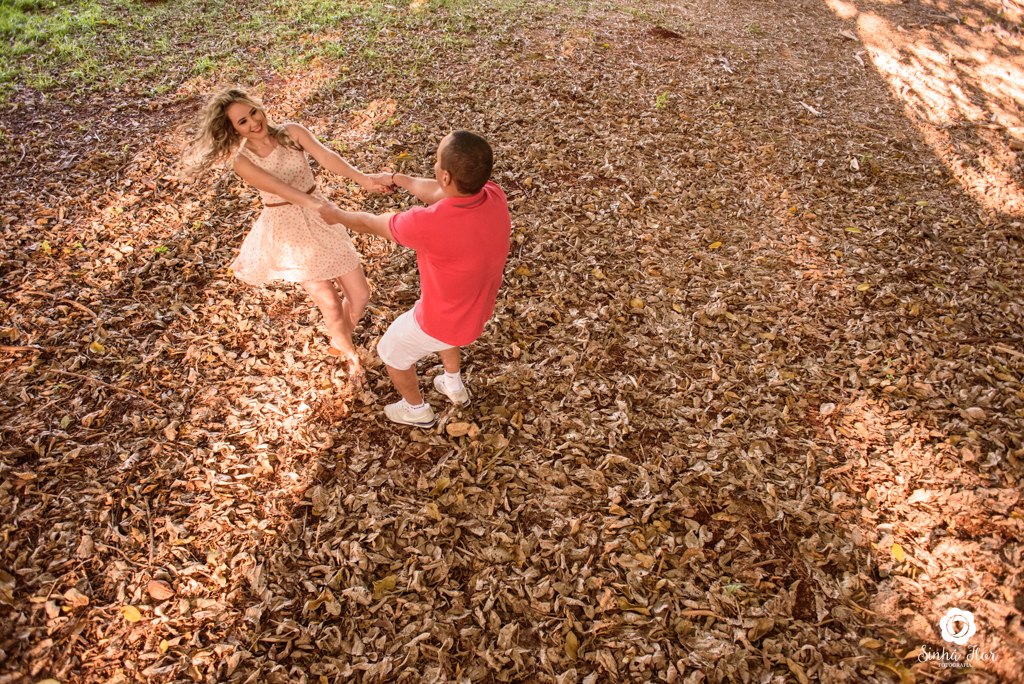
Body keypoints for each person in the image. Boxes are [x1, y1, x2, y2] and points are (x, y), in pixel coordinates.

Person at [179, 88, 392, 383]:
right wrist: (323, 206)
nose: (254, 123)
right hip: (288, 226)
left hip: (322, 217)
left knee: (360, 294)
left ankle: (340, 336)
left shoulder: (292, 132)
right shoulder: (242, 161)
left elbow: (327, 158)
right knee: (329, 303)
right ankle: (350, 356)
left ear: (259, 106)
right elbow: (282, 189)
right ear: (233, 129)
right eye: (242, 122)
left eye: (253, 112)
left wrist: (364, 180)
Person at [318, 130, 511, 427]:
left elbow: (372, 223)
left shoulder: (429, 224)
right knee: (450, 334)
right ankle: (453, 385)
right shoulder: (493, 195)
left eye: (436, 161)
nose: (434, 167)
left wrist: (338, 214)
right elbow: (438, 191)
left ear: (446, 176)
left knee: (390, 352)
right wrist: (399, 179)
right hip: (475, 308)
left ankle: (416, 410)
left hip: (439, 317)